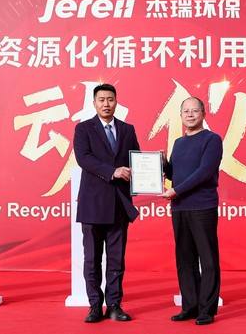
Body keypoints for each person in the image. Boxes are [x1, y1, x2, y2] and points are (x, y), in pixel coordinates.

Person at [73, 83, 140, 323]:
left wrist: (153, 167)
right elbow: (84, 158)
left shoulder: (127, 129)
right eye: (101, 100)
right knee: (92, 259)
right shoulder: (83, 129)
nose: (106, 104)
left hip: (119, 204)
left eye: (110, 99)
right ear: (94, 103)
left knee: (116, 258)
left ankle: (114, 305)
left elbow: (136, 160)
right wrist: (113, 171)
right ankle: (94, 306)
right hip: (92, 204)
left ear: (116, 102)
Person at [161, 97, 223, 326]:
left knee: (207, 259)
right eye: (185, 111)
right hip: (179, 207)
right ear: (180, 115)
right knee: (185, 259)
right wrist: (163, 164)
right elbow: (175, 174)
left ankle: (206, 309)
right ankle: (190, 306)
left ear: (203, 114)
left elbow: (204, 172)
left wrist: (176, 190)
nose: (190, 114)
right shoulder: (179, 142)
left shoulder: (212, 139)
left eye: (194, 110)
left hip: (202, 206)